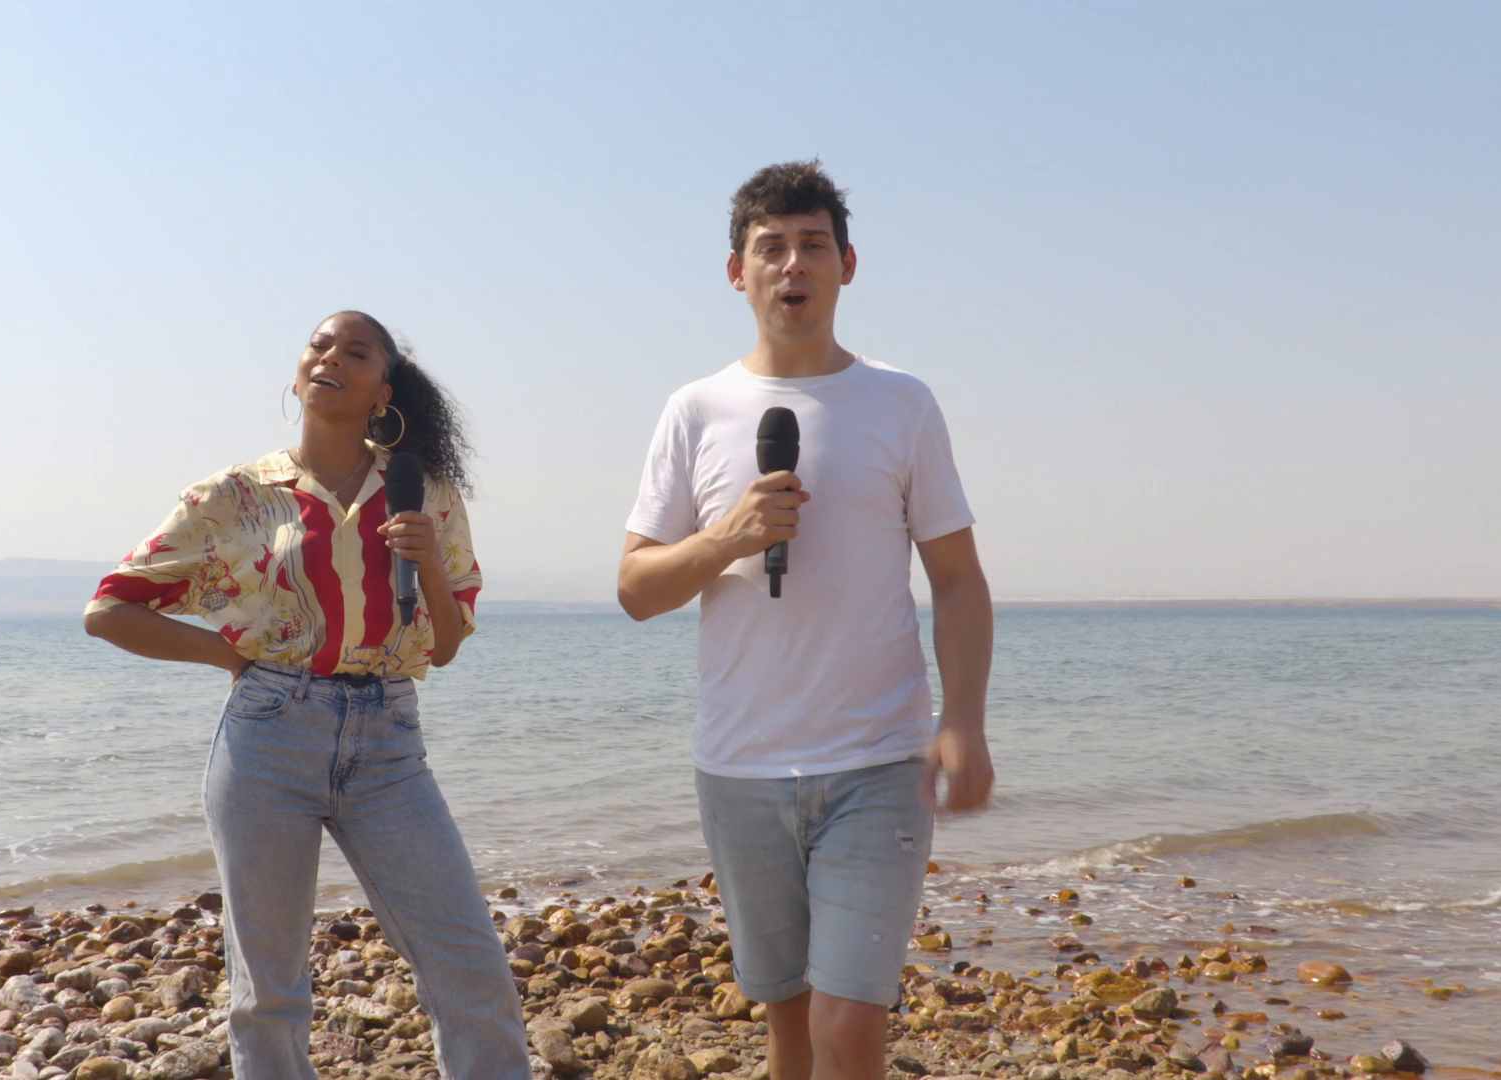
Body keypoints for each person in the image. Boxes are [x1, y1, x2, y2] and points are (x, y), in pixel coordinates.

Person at [617, 162, 995, 1080]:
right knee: (788, 1024)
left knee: (849, 1026)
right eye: (771, 247)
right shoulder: (694, 410)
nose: (793, 264)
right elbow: (636, 588)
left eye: (813, 245)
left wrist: (963, 722)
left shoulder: (901, 402)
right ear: (737, 272)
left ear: (847, 266)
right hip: (739, 767)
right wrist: (727, 538)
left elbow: (956, 578)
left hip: (878, 762)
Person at [83, 311, 530, 1080]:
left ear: (383, 389)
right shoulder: (236, 496)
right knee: (269, 990)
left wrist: (426, 560)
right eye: (319, 346)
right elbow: (109, 609)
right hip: (268, 738)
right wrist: (229, 656)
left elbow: (448, 643)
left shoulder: (424, 490)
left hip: (389, 745)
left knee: (470, 964)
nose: (331, 359)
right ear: (298, 373)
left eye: (355, 352)